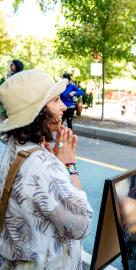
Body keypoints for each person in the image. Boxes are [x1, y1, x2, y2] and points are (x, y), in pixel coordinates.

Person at [0, 69, 93, 269]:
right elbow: (81, 225)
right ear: (39, 111)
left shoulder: (15, 148)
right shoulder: (44, 165)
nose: (63, 106)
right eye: (56, 99)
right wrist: (69, 165)